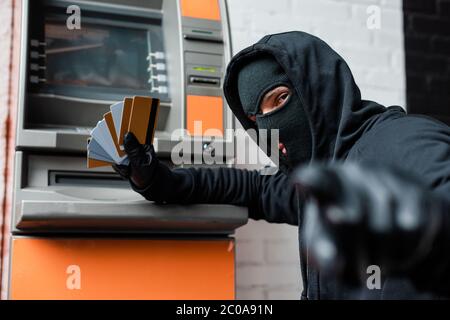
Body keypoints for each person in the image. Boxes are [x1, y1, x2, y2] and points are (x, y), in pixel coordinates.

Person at [113, 32, 450, 299]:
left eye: (280, 99)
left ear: (318, 89)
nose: (268, 127)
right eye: (256, 117)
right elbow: (253, 189)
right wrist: (160, 181)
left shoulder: (398, 138)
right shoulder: (318, 174)